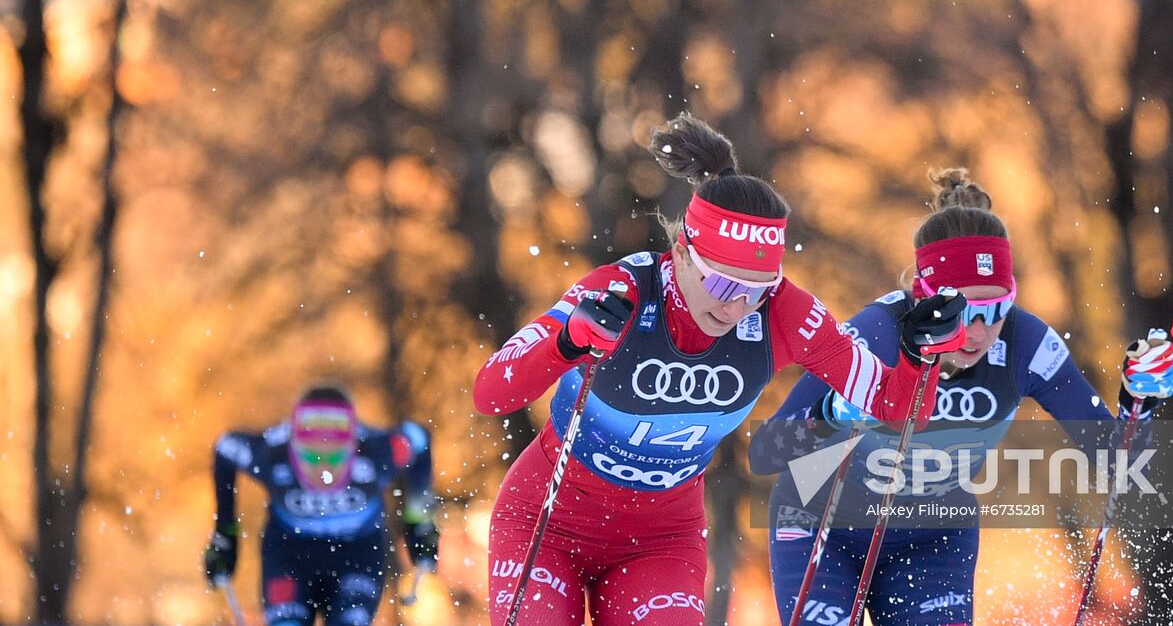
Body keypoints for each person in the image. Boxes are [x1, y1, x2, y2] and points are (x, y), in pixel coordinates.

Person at [472, 113, 969, 625]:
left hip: (661, 542)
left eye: (755, 290)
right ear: (682, 251)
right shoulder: (622, 291)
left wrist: (919, 357)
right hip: (547, 521)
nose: (736, 308)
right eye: (725, 285)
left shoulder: (784, 313)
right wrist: (567, 342)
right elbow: (491, 393)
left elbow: (898, 409)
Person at [750, 167, 1173, 626]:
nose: (980, 331)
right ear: (925, 297)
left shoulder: (1027, 345)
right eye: (966, 312)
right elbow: (765, 452)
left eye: (997, 308)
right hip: (823, 522)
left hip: (931, 537)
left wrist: (1140, 402)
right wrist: (834, 414)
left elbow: (1124, 467)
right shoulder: (876, 335)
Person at [202, 385, 438, 626]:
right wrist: (225, 534)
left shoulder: (377, 452)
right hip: (289, 555)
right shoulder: (272, 454)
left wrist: (419, 522)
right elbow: (225, 448)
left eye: (334, 452)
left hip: (357, 554)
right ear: (292, 442)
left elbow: (421, 439)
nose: (323, 466)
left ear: (353, 442)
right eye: (311, 452)